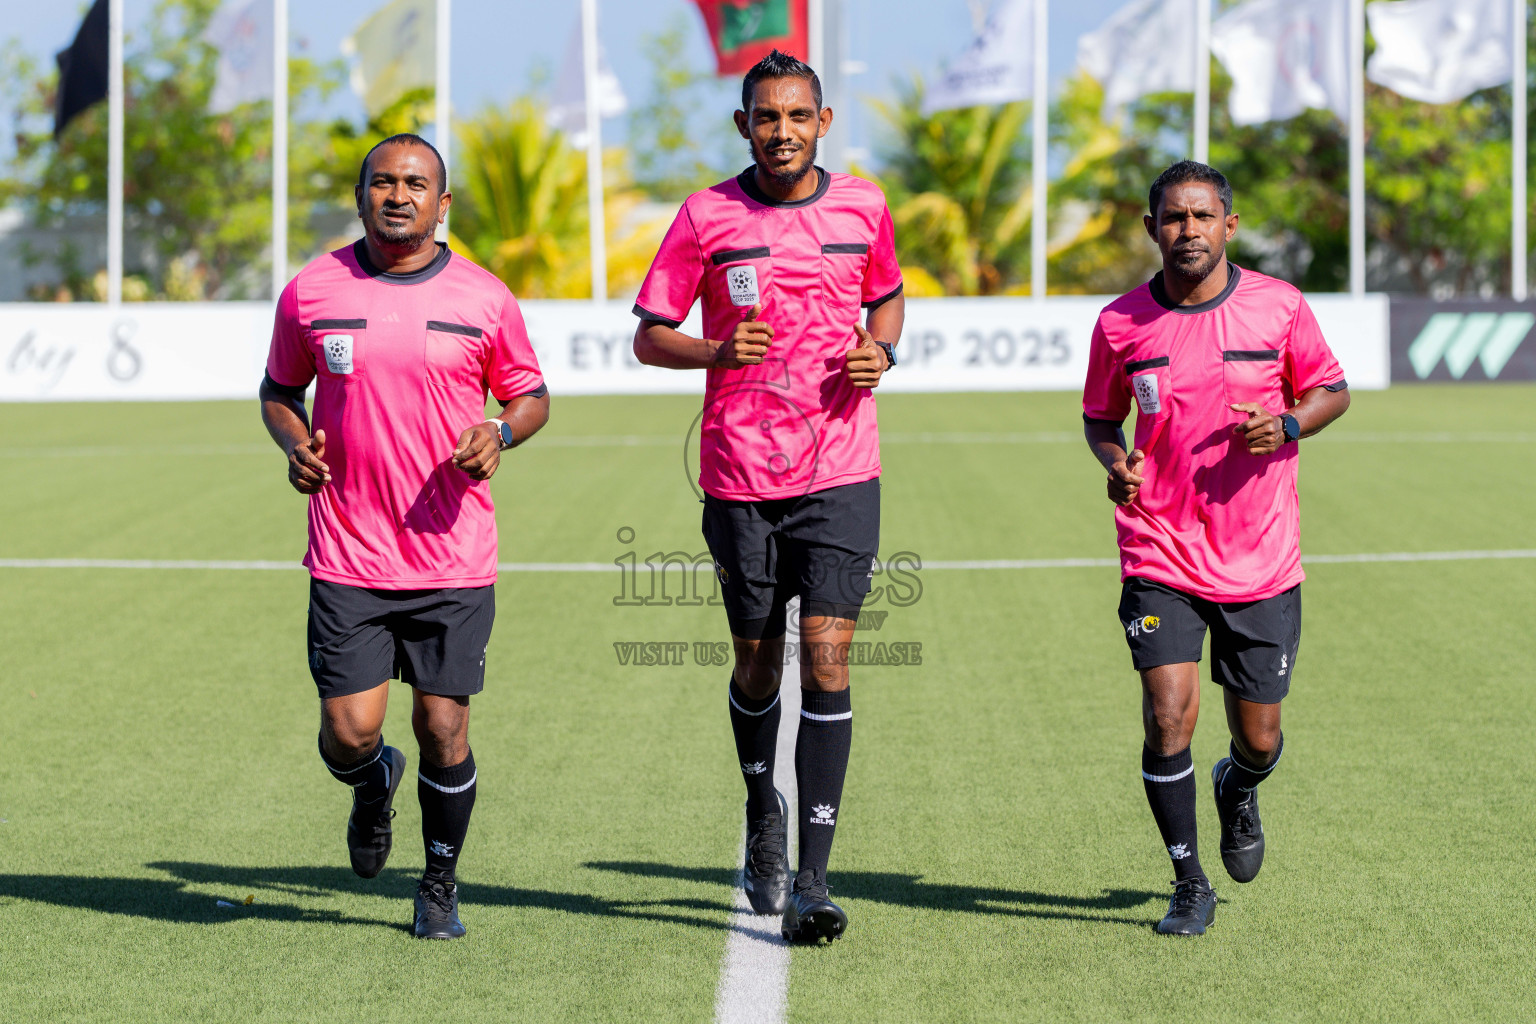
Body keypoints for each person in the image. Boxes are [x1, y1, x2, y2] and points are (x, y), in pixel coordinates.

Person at [631, 50, 904, 944]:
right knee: (756, 666)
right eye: (764, 116)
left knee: (827, 658)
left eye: (797, 115)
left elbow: (888, 301)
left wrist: (882, 351)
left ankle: (814, 882)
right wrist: (712, 352)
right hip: (741, 476)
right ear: (743, 126)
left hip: (840, 471)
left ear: (823, 123)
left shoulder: (864, 206)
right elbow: (650, 336)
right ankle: (762, 809)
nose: (781, 130)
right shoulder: (705, 216)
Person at [258, 133, 549, 940]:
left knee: (443, 726)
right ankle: (370, 781)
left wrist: (501, 431)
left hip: (452, 553)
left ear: (442, 203)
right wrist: (295, 442)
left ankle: (439, 886)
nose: (398, 195)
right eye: (382, 181)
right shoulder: (311, 292)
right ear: (359, 197)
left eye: (416, 183)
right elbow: (280, 390)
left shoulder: (485, 298)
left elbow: (530, 395)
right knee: (349, 732)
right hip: (349, 550)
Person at [1081, 161, 1350, 936]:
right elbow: (1102, 419)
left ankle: (1239, 785)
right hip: (1159, 548)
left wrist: (1291, 423)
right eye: (1173, 218)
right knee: (1168, 716)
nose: (1188, 231)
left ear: (1228, 226)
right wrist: (1116, 463)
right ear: (1151, 227)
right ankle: (1188, 881)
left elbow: (1331, 388)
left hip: (1260, 554)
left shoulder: (1279, 307)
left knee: (1258, 736)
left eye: (1202, 217)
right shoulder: (1120, 324)